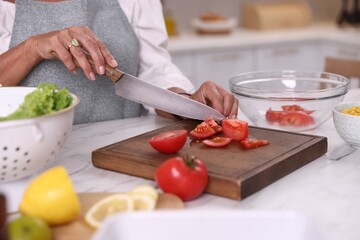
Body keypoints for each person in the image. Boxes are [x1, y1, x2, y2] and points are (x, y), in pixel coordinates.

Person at [0, 0, 238, 124]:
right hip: (32, 162)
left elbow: (156, 72)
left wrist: (186, 102)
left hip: (121, 155)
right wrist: (31, 49)